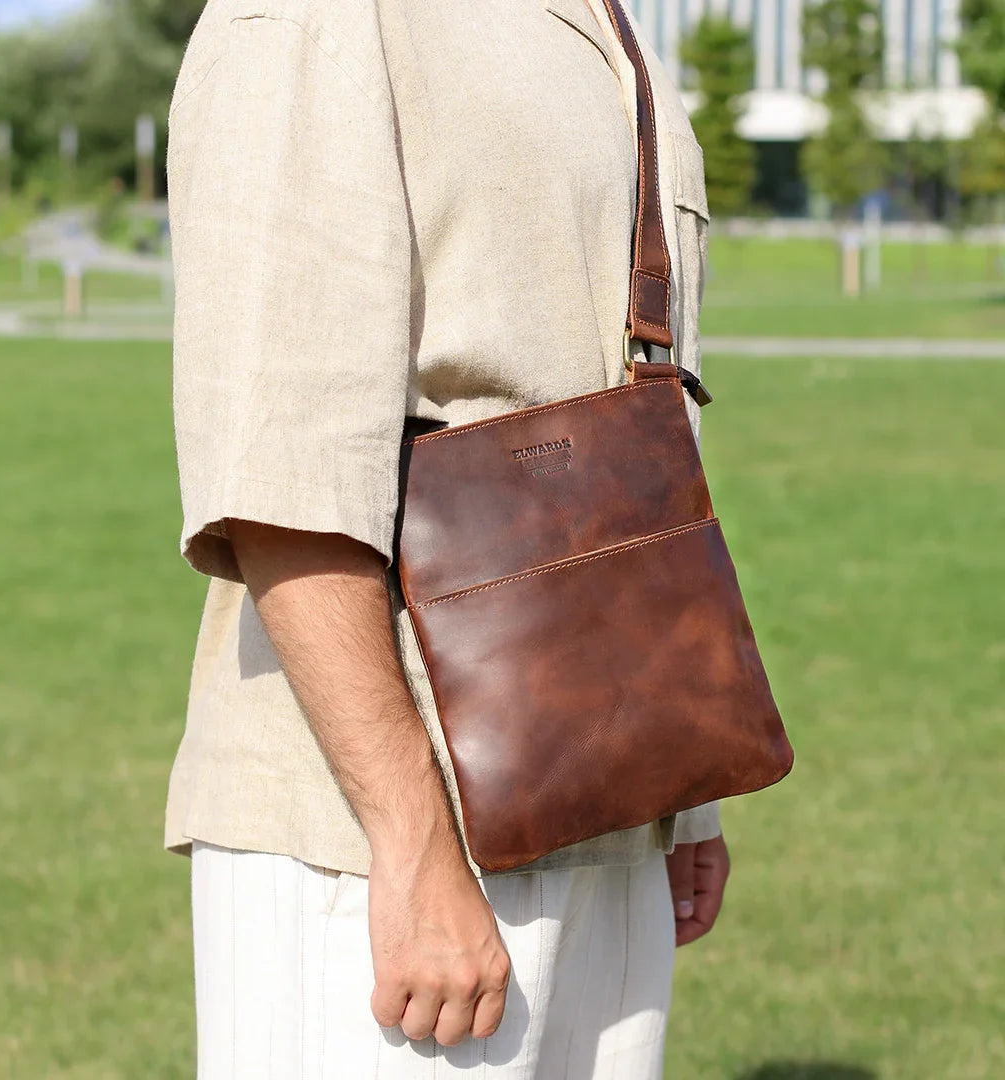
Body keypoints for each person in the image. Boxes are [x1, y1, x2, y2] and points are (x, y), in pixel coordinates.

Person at [164, 0, 728, 1075]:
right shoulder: (317, 17)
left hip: (610, 794)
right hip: (381, 836)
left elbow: (641, 427)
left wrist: (681, 794)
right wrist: (413, 846)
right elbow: (282, 471)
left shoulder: (612, 20)